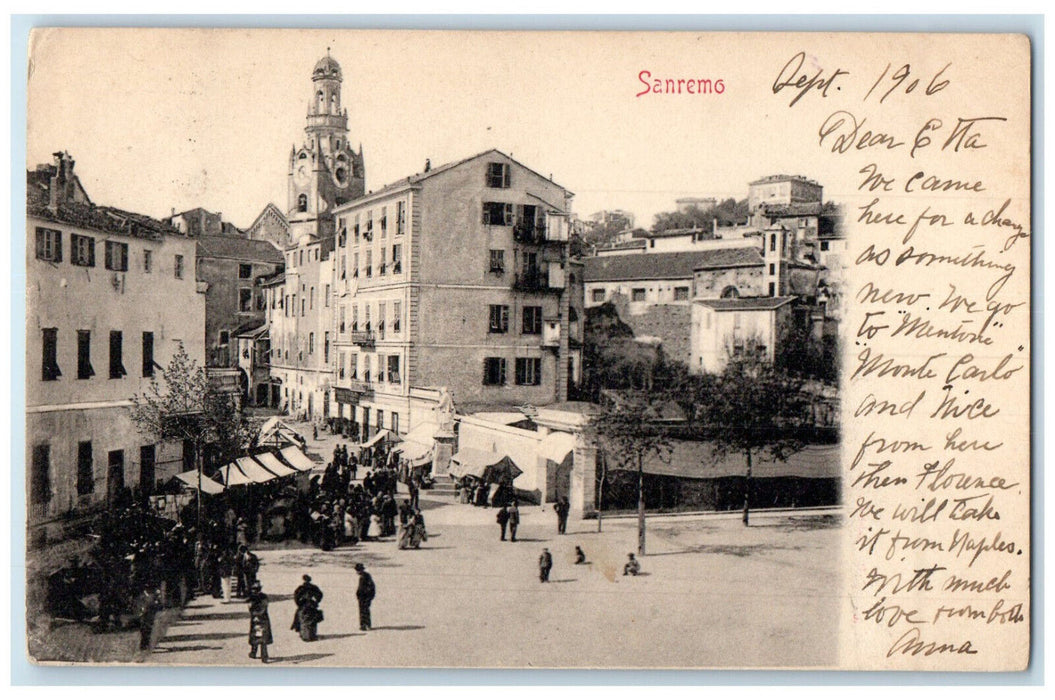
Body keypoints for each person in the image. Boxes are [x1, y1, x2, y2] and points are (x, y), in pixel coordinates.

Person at [291, 574, 324, 642]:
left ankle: (305, 635)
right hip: (311, 606)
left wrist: (300, 603)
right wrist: (316, 601)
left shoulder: (301, 588)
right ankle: (311, 635)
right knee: (311, 621)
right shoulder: (314, 587)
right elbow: (320, 595)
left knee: (304, 620)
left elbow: (296, 597)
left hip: (305, 606)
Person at [247, 581, 273, 663]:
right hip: (263, 619)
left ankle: (255, 653)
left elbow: (250, 608)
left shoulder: (251, 598)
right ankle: (263, 656)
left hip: (256, 619)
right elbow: (264, 607)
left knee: (256, 636)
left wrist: (255, 615)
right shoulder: (264, 597)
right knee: (262, 637)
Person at [355, 563, 375, 631]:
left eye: (358, 570)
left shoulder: (366, 576)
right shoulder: (363, 576)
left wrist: (369, 597)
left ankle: (367, 624)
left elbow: (370, 587)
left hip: (365, 597)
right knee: (362, 611)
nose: (357, 572)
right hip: (362, 597)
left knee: (365, 611)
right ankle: (363, 624)